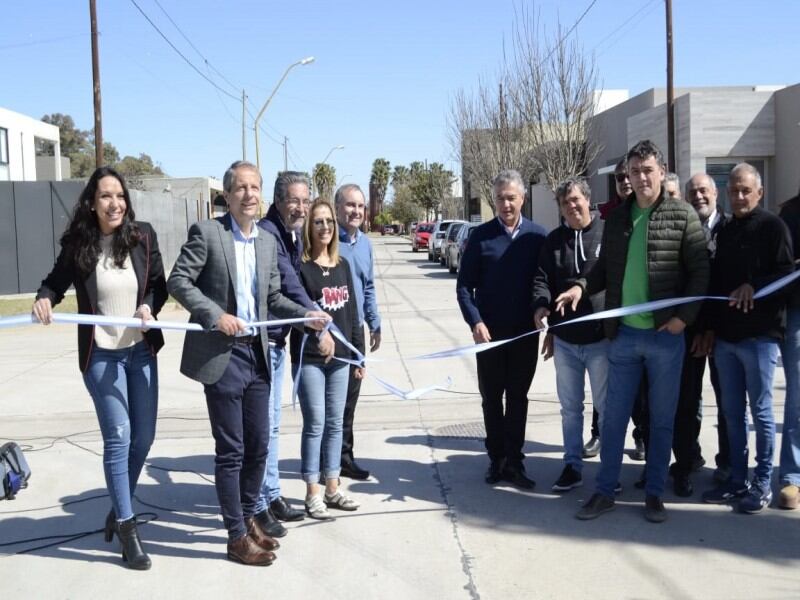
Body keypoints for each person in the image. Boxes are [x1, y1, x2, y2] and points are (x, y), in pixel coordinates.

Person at [168, 160, 329, 565]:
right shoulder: (207, 233)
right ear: (227, 195)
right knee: (232, 451)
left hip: (256, 355)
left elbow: (273, 299)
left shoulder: (266, 243)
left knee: (259, 445)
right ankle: (236, 535)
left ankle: (249, 518)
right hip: (220, 355)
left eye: (254, 187)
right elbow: (178, 281)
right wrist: (213, 315)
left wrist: (306, 315)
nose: (249, 195)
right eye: (241, 188)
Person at [558, 140, 709, 523]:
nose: (641, 178)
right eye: (634, 172)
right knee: (613, 419)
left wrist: (683, 320)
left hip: (665, 338)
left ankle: (655, 493)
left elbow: (700, 273)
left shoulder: (682, 215)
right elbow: (604, 270)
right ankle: (605, 491)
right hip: (623, 336)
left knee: (661, 420)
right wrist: (580, 287)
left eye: (647, 170)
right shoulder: (618, 219)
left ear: (661, 172)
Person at [32, 166, 167, 570]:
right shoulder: (80, 243)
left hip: (140, 351)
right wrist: (43, 298)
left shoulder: (143, 235)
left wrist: (150, 306)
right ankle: (127, 526)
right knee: (120, 436)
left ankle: (117, 506)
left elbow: (160, 284)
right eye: (106, 196)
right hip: (102, 354)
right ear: (92, 203)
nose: (115, 203)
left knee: (144, 438)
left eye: (120, 196)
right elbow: (54, 282)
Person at [701, 163, 794, 513]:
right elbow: (714, 283)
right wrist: (710, 329)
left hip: (760, 337)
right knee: (731, 413)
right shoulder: (723, 232)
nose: (739, 196)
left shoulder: (774, 227)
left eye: (745, 190)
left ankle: (761, 482)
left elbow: (788, 275)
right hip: (726, 339)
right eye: (734, 190)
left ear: (760, 192)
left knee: (761, 413)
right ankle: (736, 480)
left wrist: (755, 287)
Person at [252, 172, 335, 537]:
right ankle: (260, 500)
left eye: (306, 200)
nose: (301, 207)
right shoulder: (269, 233)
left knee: (271, 427)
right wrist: (317, 320)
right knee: (262, 430)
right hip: (262, 345)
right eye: (295, 201)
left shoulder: (287, 233)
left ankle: (271, 494)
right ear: (279, 200)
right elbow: (289, 284)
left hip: (278, 343)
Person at [457, 169, 547, 489]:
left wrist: (542, 310)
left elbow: (544, 281)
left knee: (518, 398)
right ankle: (496, 459)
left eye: (511, 197)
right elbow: (464, 287)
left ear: (522, 198)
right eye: (500, 198)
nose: (506, 204)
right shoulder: (480, 237)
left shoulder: (538, 236)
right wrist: (475, 322)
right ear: (493, 201)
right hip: (489, 337)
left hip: (525, 335)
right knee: (492, 398)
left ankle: (515, 461)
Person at [533, 177, 608, 492]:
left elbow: (611, 276)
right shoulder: (553, 241)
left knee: (607, 407)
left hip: (603, 339)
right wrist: (540, 307)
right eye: (565, 203)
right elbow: (541, 279)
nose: (571, 207)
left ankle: (610, 471)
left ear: (588, 200)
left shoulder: (608, 233)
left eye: (576, 200)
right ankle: (572, 466)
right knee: (570, 408)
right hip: (565, 342)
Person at [292, 199, 365, 519]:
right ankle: (312, 493)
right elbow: (295, 314)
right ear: (309, 227)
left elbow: (352, 314)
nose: (324, 227)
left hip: (343, 359)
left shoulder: (342, 265)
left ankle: (333, 488)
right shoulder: (301, 268)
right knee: (316, 423)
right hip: (310, 358)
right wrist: (317, 336)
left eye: (329, 222)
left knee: (336, 423)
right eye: (318, 221)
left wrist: (359, 354)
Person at [669, 173, 730, 497]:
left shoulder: (731, 229)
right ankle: (687, 460)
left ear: (715, 193)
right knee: (686, 400)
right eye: (692, 193)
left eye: (703, 191)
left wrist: (712, 329)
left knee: (728, 402)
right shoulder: (683, 232)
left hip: (725, 334)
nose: (698, 197)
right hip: (689, 331)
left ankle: (727, 463)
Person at [588, 159, 646, 463]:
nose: (625, 181)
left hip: (644, 319)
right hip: (611, 318)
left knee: (640, 388)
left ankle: (640, 436)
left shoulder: (647, 213)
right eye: (621, 177)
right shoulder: (605, 216)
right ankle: (599, 433)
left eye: (630, 176)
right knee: (605, 384)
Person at [335, 184, 381, 480]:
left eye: (360, 206)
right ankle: (323, 463)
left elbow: (368, 286)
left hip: (355, 332)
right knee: (329, 402)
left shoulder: (365, 244)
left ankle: (344, 458)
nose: (356, 211)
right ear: (337, 208)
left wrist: (374, 322)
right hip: (329, 330)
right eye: (350, 205)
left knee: (349, 400)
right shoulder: (324, 240)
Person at [778, 186, 800, 510]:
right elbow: (778, 267)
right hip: (797, 314)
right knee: (797, 397)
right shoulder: (790, 213)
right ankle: (793, 476)